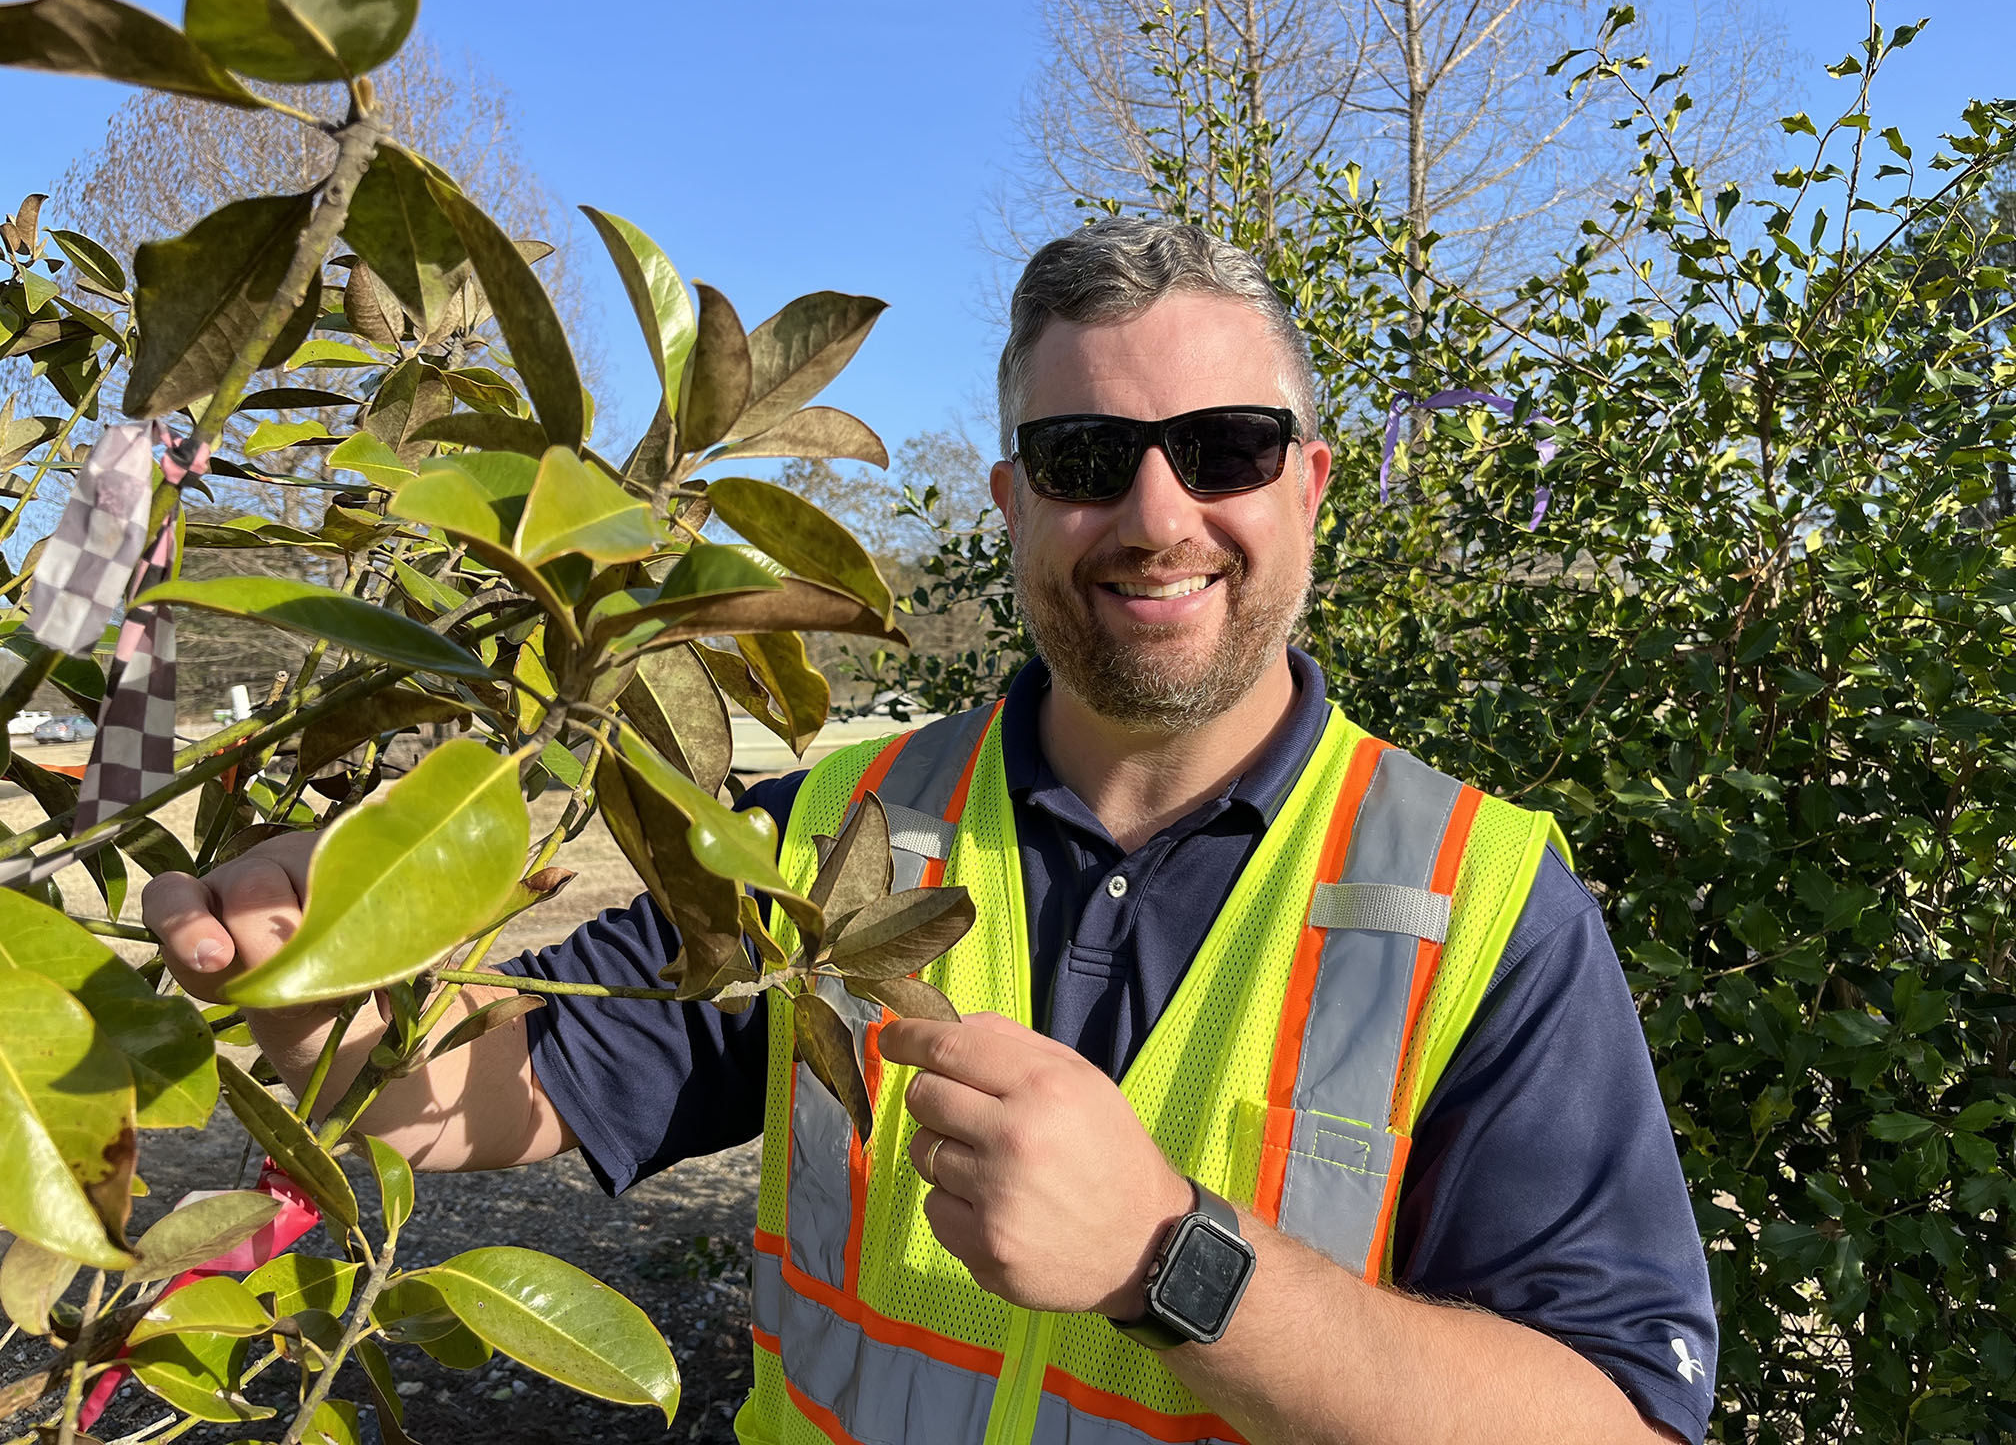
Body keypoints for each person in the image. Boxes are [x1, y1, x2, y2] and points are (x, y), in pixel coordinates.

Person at [145, 219, 1717, 1445]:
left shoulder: (1484, 901)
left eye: (1226, 447)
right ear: (1014, 507)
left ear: (1309, 486)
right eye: (1085, 461)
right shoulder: (835, 833)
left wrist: (1174, 1262)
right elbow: (504, 1089)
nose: (1158, 515)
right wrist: (342, 973)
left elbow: (1613, 1418)